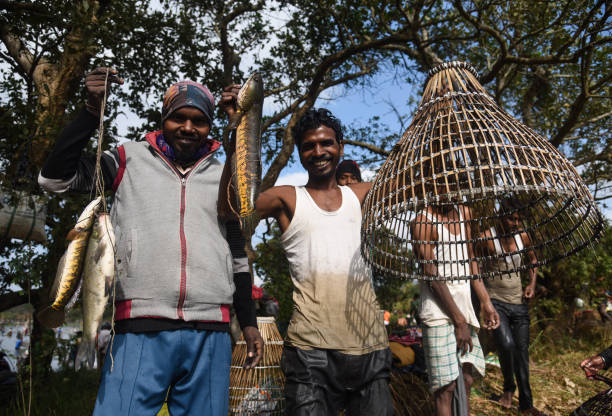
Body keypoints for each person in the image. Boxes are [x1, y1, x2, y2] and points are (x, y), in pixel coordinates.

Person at [38, 67, 263, 415]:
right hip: (139, 328)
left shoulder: (224, 173)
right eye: (179, 118)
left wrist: (248, 323)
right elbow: (55, 180)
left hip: (211, 331)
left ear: (209, 126)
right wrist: (90, 112)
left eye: (199, 121)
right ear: (164, 119)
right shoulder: (127, 159)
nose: (188, 128)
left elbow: (238, 254)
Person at [255, 108, 393, 415]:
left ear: (340, 147)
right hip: (310, 354)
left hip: (369, 346)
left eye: (326, 143)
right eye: (309, 146)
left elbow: (417, 184)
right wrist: (240, 129)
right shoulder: (287, 198)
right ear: (300, 153)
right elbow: (233, 207)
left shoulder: (363, 194)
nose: (319, 152)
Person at [412, 203, 500, 416]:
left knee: (467, 379)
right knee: (445, 388)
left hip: (464, 308)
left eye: (454, 179)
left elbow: (470, 258)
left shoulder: (464, 213)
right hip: (438, 314)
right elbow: (431, 274)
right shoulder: (422, 222)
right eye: (443, 180)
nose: (448, 185)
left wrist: (486, 301)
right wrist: (458, 320)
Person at [476, 198, 546, 416]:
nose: (515, 223)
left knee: (522, 353)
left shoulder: (523, 236)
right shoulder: (486, 238)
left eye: (518, 219)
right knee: (506, 345)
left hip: (518, 303)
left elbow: (533, 259)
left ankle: (526, 405)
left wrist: (531, 284)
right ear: (500, 216)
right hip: (496, 302)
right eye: (510, 218)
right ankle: (508, 387)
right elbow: (475, 269)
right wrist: (484, 302)